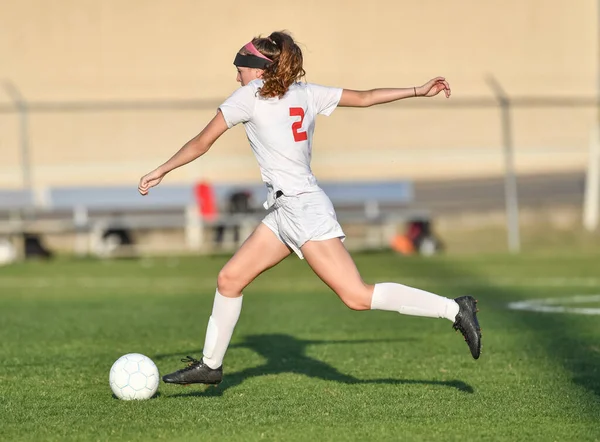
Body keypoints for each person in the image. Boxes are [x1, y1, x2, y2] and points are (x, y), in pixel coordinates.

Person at [138, 31, 481, 386]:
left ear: (257, 71)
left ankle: (455, 309)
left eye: (239, 69)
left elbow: (201, 142)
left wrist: (161, 170)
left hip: (303, 211)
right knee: (229, 279)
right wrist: (416, 90)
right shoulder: (305, 92)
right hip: (286, 211)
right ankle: (210, 366)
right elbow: (364, 97)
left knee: (357, 296)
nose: (236, 76)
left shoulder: (248, 97)